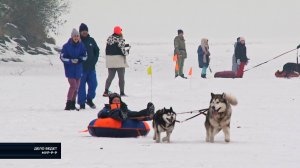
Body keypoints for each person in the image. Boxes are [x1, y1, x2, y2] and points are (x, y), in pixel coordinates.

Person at [60, 28, 87, 110]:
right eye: (75, 36)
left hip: (78, 69)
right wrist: (71, 61)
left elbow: (85, 56)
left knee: (77, 87)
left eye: (77, 36)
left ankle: (73, 103)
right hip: (70, 70)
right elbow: (62, 57)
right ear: (72, 37)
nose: (76, 38)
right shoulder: (66, 46)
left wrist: (79, 59)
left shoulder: (82, 45)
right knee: (73, 86)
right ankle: (68, 103)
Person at [77, 23, 100, 109]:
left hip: (91, 68)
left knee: (94, 85)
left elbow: (97, 51)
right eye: (83, 31)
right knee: (81, 87)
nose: (85, 32)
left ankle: (89, 99)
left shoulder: (91, 40)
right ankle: (82, 103)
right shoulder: (77, 40)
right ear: (80, 32)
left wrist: (94, 60)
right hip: (81, 69)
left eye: (86, 31)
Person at [103, 26, 130, 97]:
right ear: (119, 32)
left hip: (110, 61)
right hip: (119, 62)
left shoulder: (109, 40)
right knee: (121, 78)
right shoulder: (120, 40)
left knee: (110, 77)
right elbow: (123, 52)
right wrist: (128, 50)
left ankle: (106, 91)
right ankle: (122, 92)